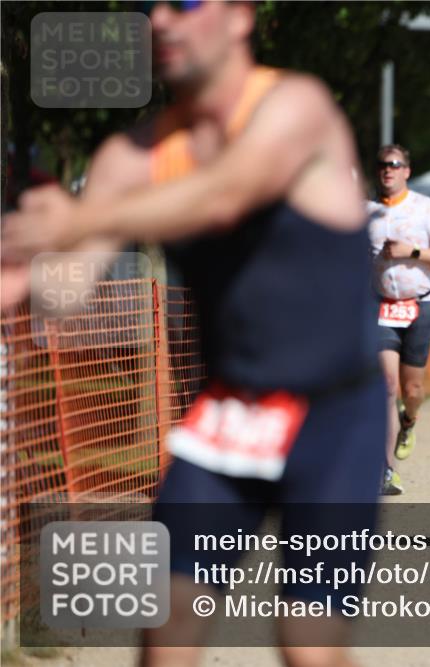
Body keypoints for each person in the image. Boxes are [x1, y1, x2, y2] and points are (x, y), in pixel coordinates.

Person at [3, 2, 381, 665]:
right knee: (167, 631)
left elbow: (227, 193)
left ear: (240, 17)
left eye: (184, 3)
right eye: (151, 7)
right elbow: (67, 289)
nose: (160, 21)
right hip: (229, 416)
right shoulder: (132, 156)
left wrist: (74, 219)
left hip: (336, 417)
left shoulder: (296, 105)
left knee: (307, 645)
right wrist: (23, 269)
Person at [368, 144, 430, 495]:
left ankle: (410, 421)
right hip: (381, 307)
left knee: (413, 389)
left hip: (421, 305)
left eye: (395, 164)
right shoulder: (365, 212)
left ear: (407, 170)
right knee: (387, 387)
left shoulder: (425, 208)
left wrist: (411, 252)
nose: (388, 170)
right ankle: (387, 470)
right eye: (382, 165)